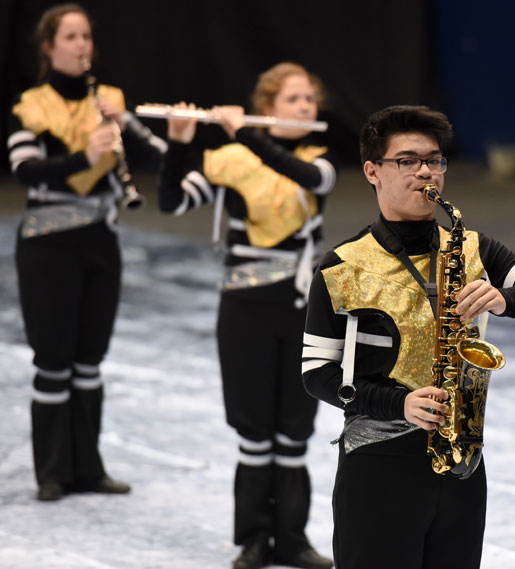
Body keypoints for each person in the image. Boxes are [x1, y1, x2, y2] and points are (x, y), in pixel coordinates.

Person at [301, 105, 515, 569]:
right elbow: (316, 375)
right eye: (407, 161)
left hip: (462, 460)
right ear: (373, 171)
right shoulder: (342, 266)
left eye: (434, 161)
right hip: (378, 463)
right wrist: (400, 405)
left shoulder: (475, 248)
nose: (425, 173)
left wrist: (505, 299)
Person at [158, 62, 336, 569]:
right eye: (294, 100)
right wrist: (179, 142)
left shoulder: (320, 159)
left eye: (309, 100)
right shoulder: (231, 158)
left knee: (295, 429)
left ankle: (293, 539)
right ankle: (254, 538)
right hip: (245, 309)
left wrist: (247, 136)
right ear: (267, 108)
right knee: (254, 429)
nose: (306, 108)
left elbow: (304, 178)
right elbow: (171, 202)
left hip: (304, 309)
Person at [7, 3, 165, 502]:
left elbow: (159, 159)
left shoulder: (109, 100)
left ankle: (88, 467)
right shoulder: (30, 104)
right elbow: (26, 170)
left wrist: (129, 127)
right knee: (53, 359)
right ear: (49, 46)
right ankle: (52, 472)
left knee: (90, 360)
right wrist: (86, 157)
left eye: (86, 37)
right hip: (47, 246)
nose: (82, 46)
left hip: (100, 241)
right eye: (71, 37)